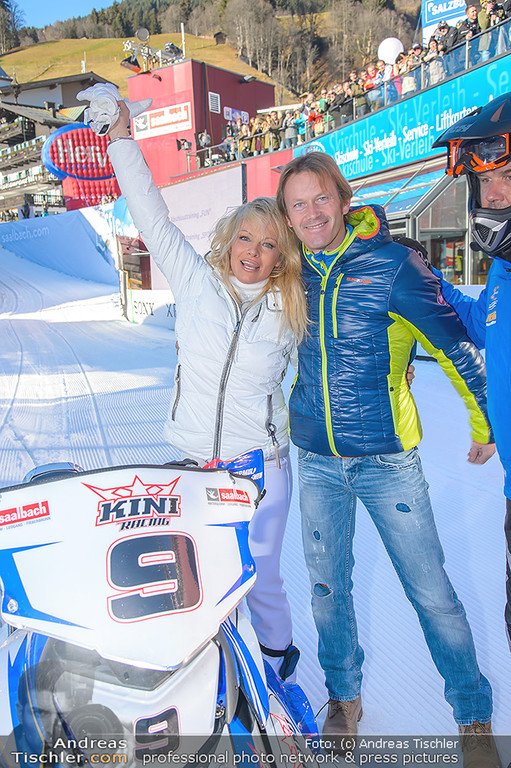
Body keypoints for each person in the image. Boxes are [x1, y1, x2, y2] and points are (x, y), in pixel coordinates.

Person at [77, 83, 308, 682]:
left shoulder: (291, 308)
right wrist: (121, 136)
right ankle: (212, 681)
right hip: (193, 465)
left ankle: (279, 675)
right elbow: (150, 211)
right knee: (198, 581)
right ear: (229, 239)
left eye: (268, 244)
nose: (254, 252)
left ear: (280, 257)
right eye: (246, 238)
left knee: (260, 578)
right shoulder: (194, 280)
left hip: (260, 470)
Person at [275, 152, 500, 766]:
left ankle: (472, 713)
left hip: (386, 461)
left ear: (344, 200)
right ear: (287, 217)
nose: (312, 213)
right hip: (316, 458)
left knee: (431, 592)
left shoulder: (394, 264)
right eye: (298, 204)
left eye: (321, 198)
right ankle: (344, 699)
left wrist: (485, 422)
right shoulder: (291, 271)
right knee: (328, 589)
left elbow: (456, 348)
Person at [432, 91, 511, 658]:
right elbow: (483, 328)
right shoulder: (503, 268)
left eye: (506, 176)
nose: (494, 194)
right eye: (484, 182)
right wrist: (425, 278)